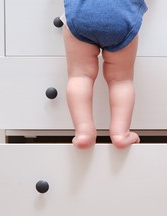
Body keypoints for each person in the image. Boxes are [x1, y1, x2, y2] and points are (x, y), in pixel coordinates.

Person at [62, 0, 148, 149]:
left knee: (80, 76)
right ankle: (121, 134)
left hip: (81, 14)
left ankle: (83, 132)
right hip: (121, 16)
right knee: (121, 80)